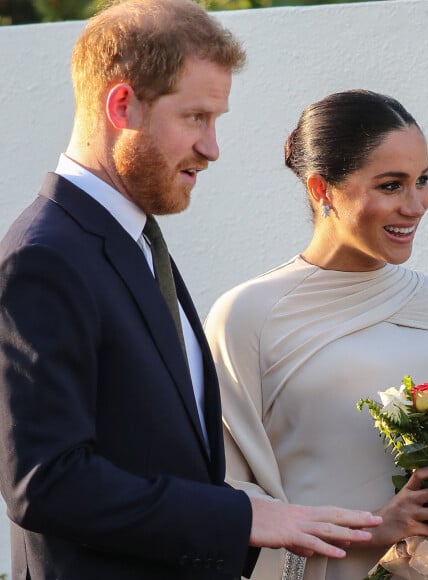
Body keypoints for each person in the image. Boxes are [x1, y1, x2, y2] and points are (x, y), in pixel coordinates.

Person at [0, 5, 383, 579]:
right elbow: (45, 482)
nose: (212, 147)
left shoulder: (133, 239)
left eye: (215, 120)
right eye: (196, 117)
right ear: (121, 105)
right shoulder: (45, 257)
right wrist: (240, 516)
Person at [204, 90, 428, 580]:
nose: (416, 204)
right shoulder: (249, 315)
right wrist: (374, 529)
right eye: (391, 185)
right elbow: (222, 495)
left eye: (423, 180)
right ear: (321, 189)